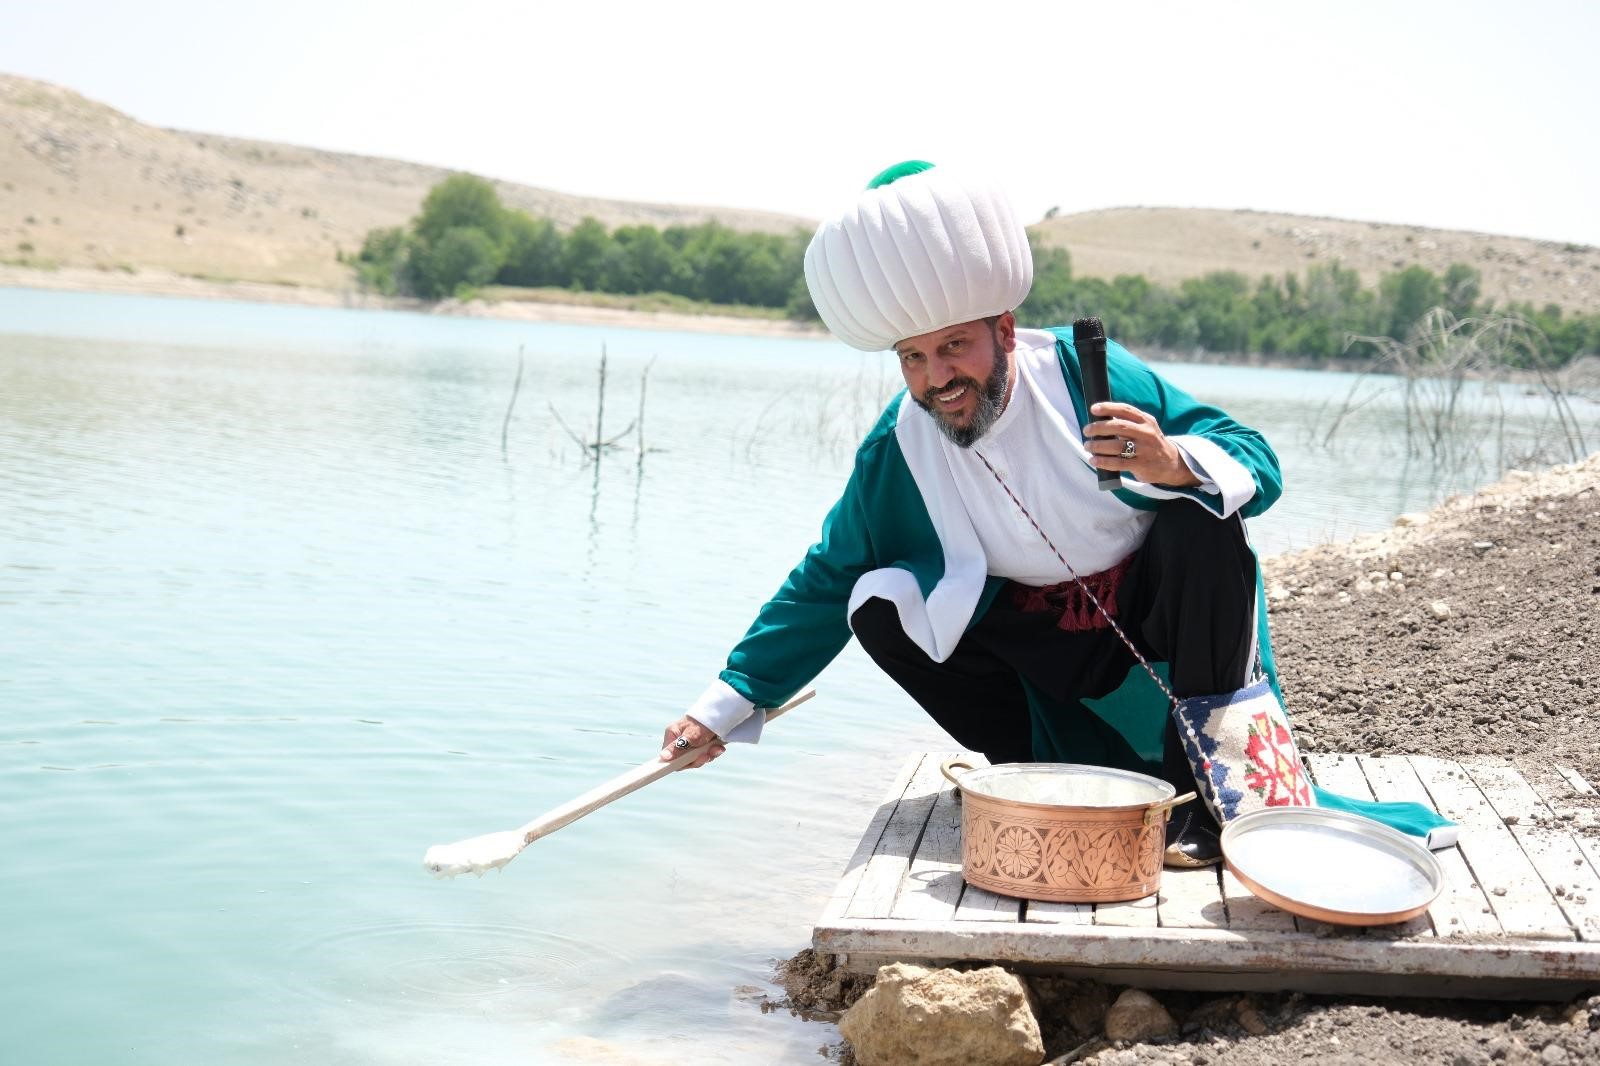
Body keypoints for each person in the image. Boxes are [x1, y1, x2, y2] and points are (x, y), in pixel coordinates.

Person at [658, 161, 1284, 867]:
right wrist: (719, 709)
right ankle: (1033, 773)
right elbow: (828, 576)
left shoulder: (1083, 376)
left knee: (1205, 520)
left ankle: (1205, 797)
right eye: (913, 358)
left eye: (954, 345)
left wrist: (1170, 461)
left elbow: (1253, 458)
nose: (937, 379)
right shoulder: (898, 443)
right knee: (878, 604)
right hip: (1040, 639)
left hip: (1154, 616)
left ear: (1006, 331)